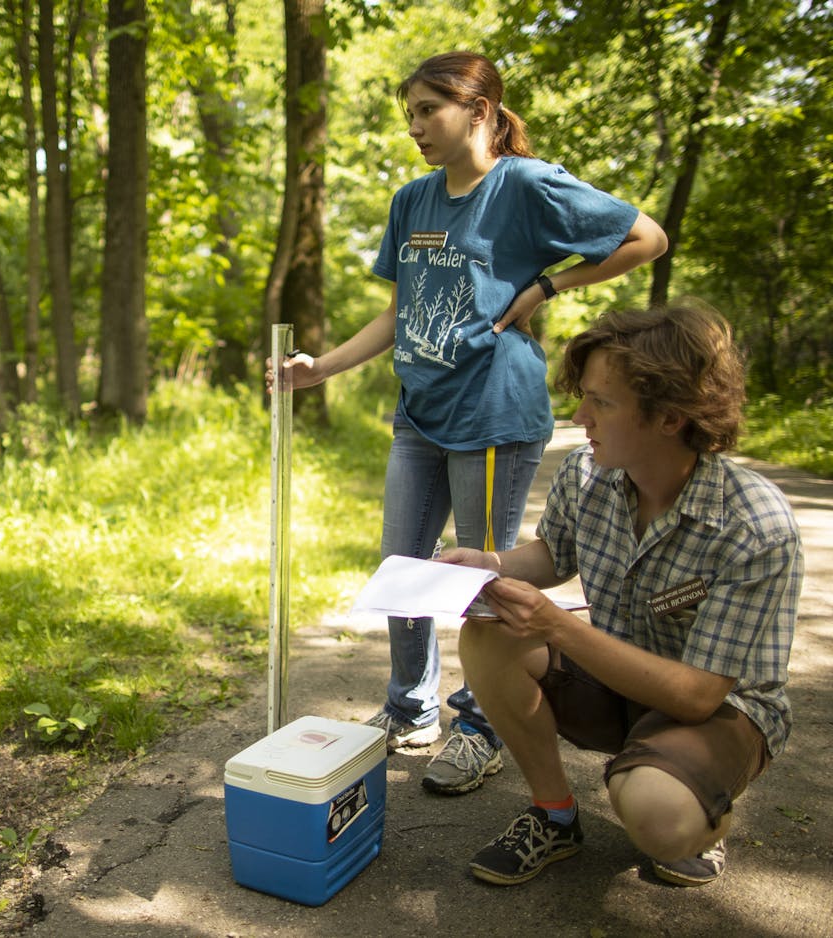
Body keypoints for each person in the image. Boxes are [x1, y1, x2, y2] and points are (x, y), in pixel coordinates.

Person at [270, 51, 668, 795]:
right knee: (405, 572)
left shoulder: (523, 185)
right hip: (418, 413)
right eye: (410, 114)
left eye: (429, 110)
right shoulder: (412, 201)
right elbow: (399, 312)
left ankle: (481, 726)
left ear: (480, 111)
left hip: (492, 414)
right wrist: (319, 368)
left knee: (479, 580)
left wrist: (550, 283)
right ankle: (409, 709)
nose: (416, 127)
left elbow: (647, 237)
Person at [445, 305, 802, 887]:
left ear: (669, 416)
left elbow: (694, 696)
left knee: (657, 814)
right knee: (488, 630)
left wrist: (557, 628)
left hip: (718, 711)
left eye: (601, 403)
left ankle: (697, 803)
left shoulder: (754, 526)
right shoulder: (588, 473)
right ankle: (554, 816)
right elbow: (554, 555)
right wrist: (486, 563)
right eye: (584, 397)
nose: (580, 417)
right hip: (614, 672)